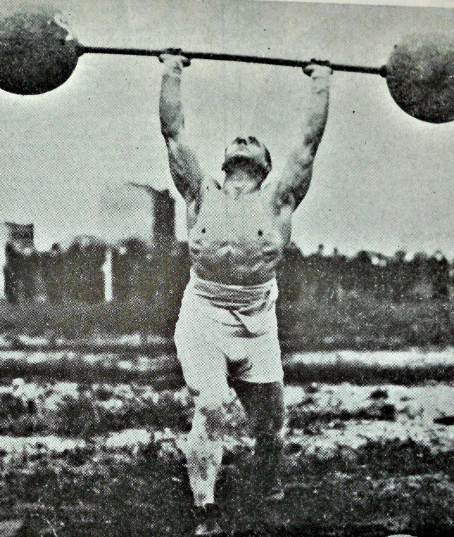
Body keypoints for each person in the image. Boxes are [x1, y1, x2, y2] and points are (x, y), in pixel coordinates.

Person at [158, 50, 331, 536]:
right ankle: (205, 511)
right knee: (211, 403)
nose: (244, 139)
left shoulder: (278, 200)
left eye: (254, 141)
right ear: (224, 160)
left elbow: (308, 144)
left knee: (272, 428)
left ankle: (271, 495)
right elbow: (173, 133)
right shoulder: (200, 192)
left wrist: (321, 81)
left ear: (266, 165)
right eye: (238, 138)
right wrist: (171, 70)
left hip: (258, 326)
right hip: (204, 318)